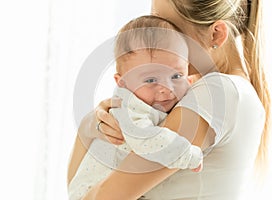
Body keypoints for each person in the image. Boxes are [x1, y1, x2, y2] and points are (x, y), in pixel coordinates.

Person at [68, 0, 271, 199]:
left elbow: (100, 196)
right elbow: (79, 186)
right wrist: (91, 125)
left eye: (167, 28)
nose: (153, 36)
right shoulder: (212, 91)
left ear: (216, 34)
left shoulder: (216, 91)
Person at [68, 15, 203, 200]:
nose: (167, 89)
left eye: (176, 76)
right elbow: (150, 140)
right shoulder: (129, 108)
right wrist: (188, 155)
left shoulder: (170, 95)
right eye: (150, 80)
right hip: (92, 190)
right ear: (122, 83)